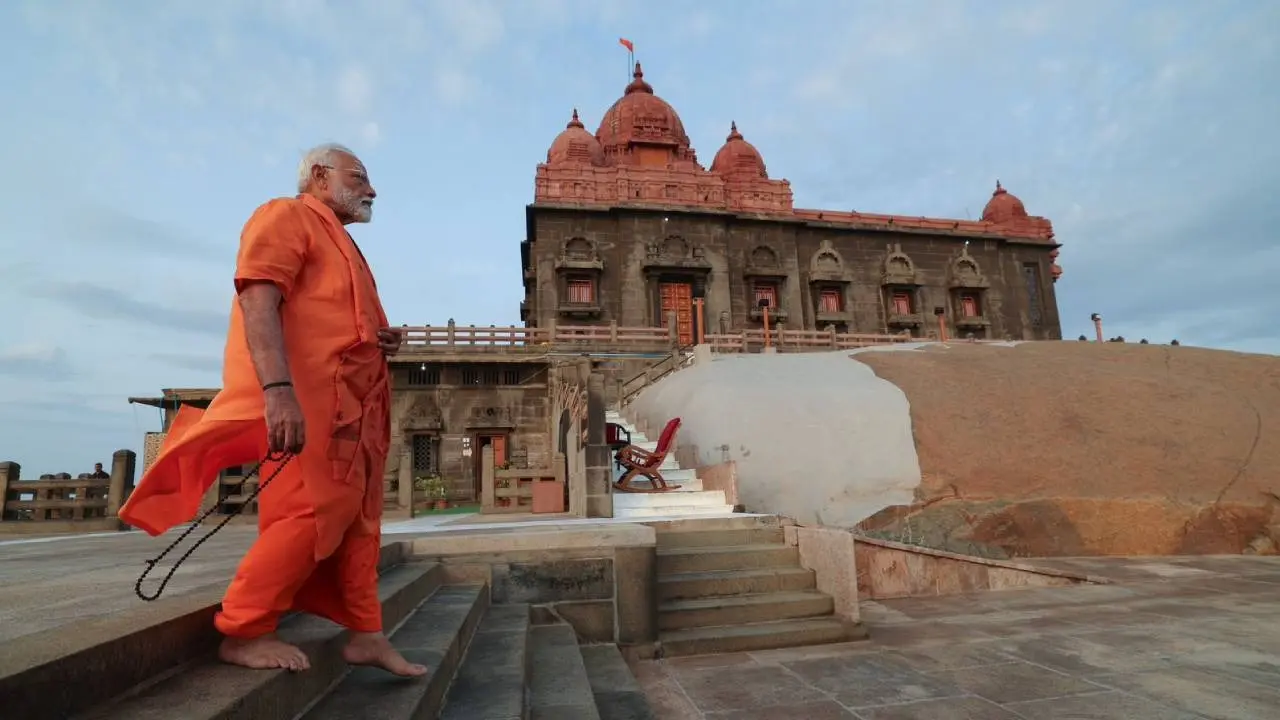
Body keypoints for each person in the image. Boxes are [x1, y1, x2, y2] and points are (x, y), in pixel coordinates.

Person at [119, 143, 426, 677]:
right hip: (306, 400)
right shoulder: (285, 216)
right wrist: (277, 389)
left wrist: (380, 339)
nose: (371, 190)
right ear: (319, 176)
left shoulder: (344, 245)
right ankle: (244, 628)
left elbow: (338, 321)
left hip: (355, 411)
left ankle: (366, 633)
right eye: (359, 177)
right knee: (308, 514)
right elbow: (258, 298)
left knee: (359, 520)